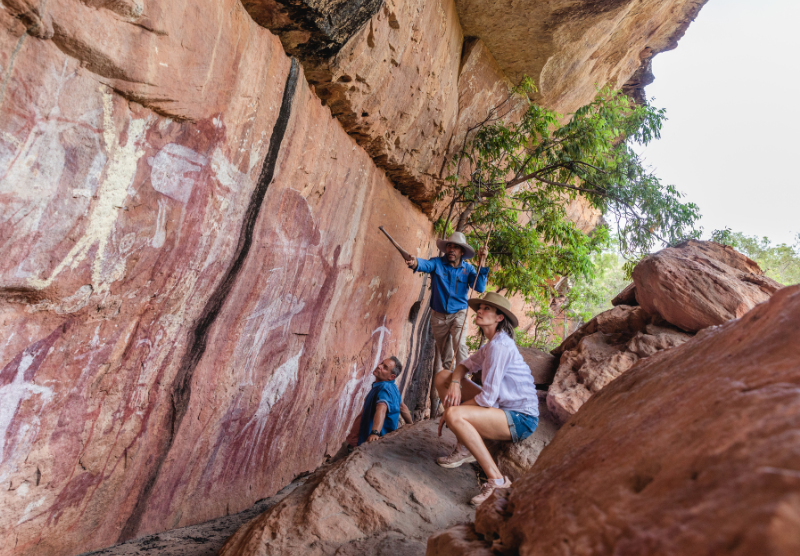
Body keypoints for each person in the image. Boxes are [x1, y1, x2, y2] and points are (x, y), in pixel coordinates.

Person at [434, 292, 539, 506]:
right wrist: (455, 383)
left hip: (520, 418)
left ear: (500, 318)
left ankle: (497, 480)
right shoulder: (491, 344)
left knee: (454, 413)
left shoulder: (500, 346)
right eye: (479, 308)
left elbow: (488, 398)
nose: (479, 311)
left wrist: (452, 412)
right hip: (501, 408)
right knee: (443, 377)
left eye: (486, 309)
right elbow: (464, 366)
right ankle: (464, 448)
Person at [406, 231, 489, 384]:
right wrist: (415, 262)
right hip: (438, 316)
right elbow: (424, 264)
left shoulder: (468, 269)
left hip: (459, 313)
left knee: (460, 345)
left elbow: (480, 287)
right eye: (449, 246)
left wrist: (482, 262)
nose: (451, 249)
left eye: (456, 247)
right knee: (446, 355)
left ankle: (463, 381)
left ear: (462, 252)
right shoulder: (437, 263)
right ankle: (451, 382)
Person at [357, 356, 414, 446]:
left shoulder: (384, 388)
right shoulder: (393, 387)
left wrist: (375, 433)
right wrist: (411, 425)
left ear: (392, 377)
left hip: (369, 439)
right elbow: (403, 407)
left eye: (385, 367)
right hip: (385, 440)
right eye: (381, 363)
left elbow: (381, 408)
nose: (379, 366)